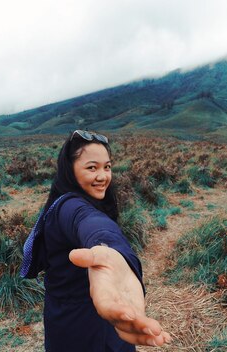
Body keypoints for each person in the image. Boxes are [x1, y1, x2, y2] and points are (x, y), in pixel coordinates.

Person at [21, 130, 171, 351]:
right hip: (79, 327)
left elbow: (100, 225)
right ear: (69, 170)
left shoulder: (87, 202)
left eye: (107, 167)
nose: (103, 176)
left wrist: (115, 253)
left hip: (94, 316)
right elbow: (91, 224)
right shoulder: (68, 206)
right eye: (92, 167)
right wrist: (107, 247)